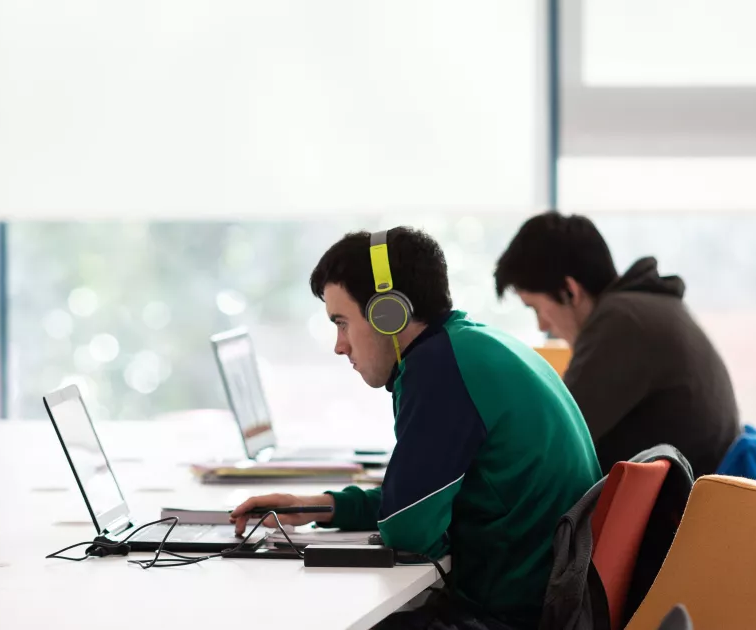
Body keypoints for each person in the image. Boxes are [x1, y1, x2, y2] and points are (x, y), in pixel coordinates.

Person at [231, 227, 600, 629]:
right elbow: (410, 504)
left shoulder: (438, 369)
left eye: (342, 322)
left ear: (387, 313)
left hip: (509, 617)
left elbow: (407, 530)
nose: (339, 345)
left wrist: (407, 520)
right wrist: (319, 506)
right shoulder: (469, 348)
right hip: (540, 599)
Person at [492, 211, 740, 479]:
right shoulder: (646, 307)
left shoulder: (621, 322)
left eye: (536, 308)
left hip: (681, 513)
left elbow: (551, 441)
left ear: (569, 291)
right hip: (696, 500)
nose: (542, 326)